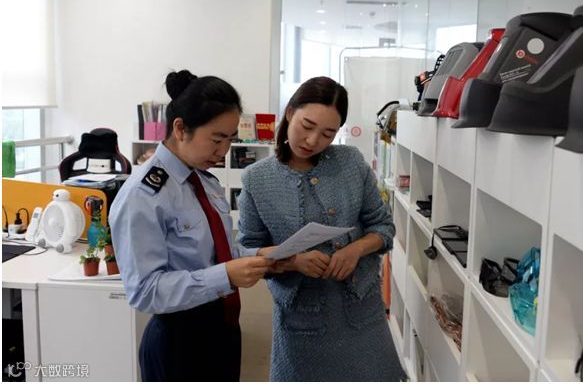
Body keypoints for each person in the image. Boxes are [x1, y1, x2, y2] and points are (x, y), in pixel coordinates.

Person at [237, 76, 406, 381]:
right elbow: (247, 248)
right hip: (302, 318)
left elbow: (383, 226)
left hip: (362, 310)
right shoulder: (257, 179)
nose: (313, 141)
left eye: (328, 133)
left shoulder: (351, 163)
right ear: (290, 112)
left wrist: (356, 250)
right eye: (307, 126)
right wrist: (292, 261)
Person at [109, 70, 272, 382]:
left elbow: (213, 253)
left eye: (230, 140)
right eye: (216, 139)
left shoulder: (203, 179)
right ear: (180, 128)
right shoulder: (143, 195)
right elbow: (144, 291)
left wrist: (262, 256)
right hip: (179, 342)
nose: (223, 151)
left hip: (222, 330)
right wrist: (225, 276)